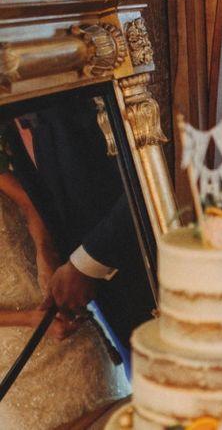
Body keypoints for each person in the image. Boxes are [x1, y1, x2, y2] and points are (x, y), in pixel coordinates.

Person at [0, 130, 128, 428]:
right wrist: (32, 320)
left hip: (66, 324)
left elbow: (30, 202)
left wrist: (45, 251)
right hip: (13, 367)